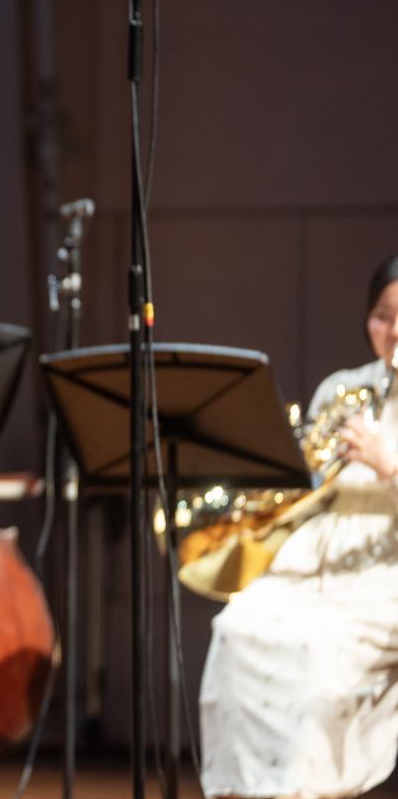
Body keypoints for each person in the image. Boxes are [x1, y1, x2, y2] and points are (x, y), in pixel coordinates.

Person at [200, 254, 398, 798]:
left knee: (318, 654)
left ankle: (299, 788)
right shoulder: (343, 387)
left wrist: (387, 464)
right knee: (238, 628)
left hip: (385, 567)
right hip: (320, 554)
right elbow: (306, 484)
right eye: (383, 315)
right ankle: (241, 789)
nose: (393, 331)